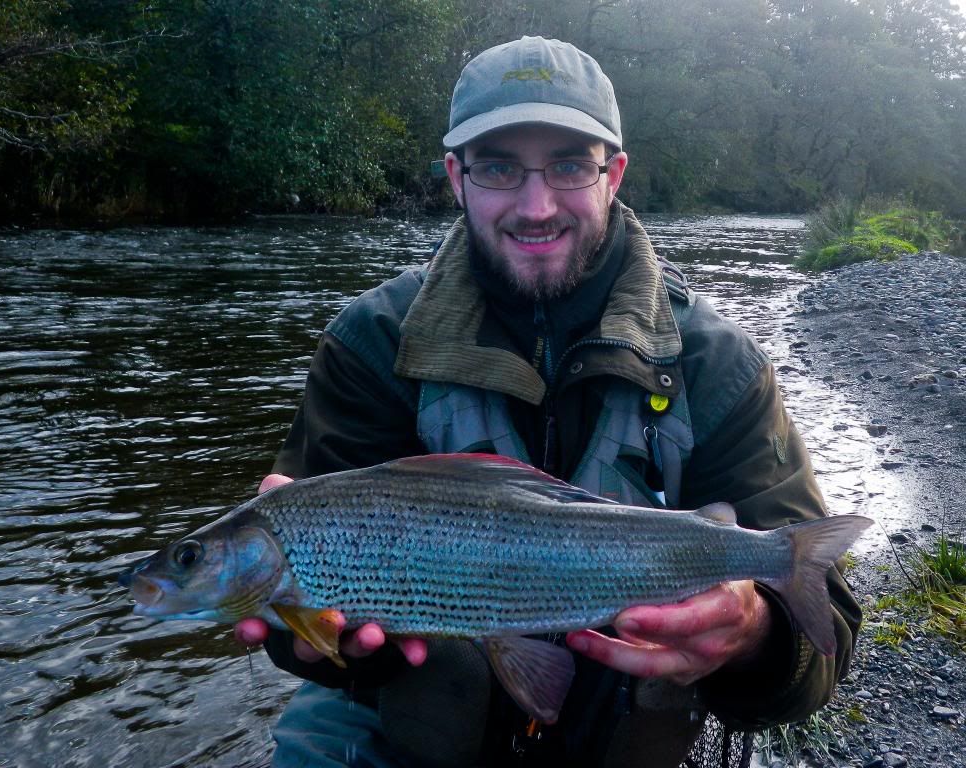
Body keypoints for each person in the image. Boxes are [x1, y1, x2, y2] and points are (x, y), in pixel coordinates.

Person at [235, 36, 862, 768]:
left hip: (630, 730)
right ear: (456, 177)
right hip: (407, 724)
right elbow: (311, 644)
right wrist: (311, 637)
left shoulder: (717, 364)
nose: (536, 207)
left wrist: (756, 635)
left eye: (568, 165)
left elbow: (822, 657)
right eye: (499, 167)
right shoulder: (370, 345)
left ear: (613, 175)